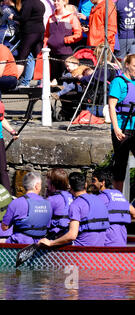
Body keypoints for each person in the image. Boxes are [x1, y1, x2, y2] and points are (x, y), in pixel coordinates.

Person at [38, 172, 109, 247]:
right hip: (99, 251)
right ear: (85, 185)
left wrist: (51, 243)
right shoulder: (99, 200)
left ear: (70, 187)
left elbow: (72, 236)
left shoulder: (75, 204)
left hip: (80, 252)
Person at [107, 53, 135, 192]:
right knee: (120, 164)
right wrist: (116, 129)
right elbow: (112, 105)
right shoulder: (118, 82)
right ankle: (117, 197)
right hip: (122, 127)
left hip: (134, 127)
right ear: (127, 65)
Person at [1, 171, 52, 244]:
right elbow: (47, 225)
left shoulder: (16, 203)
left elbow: (4, 228)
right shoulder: (48, 203)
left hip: (19, 245)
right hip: (40, 245)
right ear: (37, 186)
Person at [91, 168, 135, 246]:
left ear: (102, 182)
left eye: (94, 180)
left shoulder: (100, 198)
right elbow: (134, 213)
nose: (92, 183)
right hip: (122, 241)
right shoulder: (120, 196)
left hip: (107, 243)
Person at [43, 0, 82, 83]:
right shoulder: (51, 18)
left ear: (64, 2)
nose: (55, 3)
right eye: (54, 1)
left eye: (58, 1)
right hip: (52, 52)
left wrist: (65, 40)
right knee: (54, 77)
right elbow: (46, 34)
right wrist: (45, 45)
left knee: (65, 77)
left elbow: (78, 34)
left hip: (65, 52)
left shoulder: (71, 17)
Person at [7, 0, 45, 79]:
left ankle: (13, 80)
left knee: (22, 58)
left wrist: (13, 17)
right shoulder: (40, 3)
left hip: (29, 33)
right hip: (40, 32)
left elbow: (24, 17)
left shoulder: (28, 2)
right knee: (38, 57)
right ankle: (40, 81)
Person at [45, 168, 73, 239]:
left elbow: (43, 222)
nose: (46, 185)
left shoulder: (51, 200)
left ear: (53, 185)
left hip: (55, 236)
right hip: (69, 234)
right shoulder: (72, 196)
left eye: (48, 183)